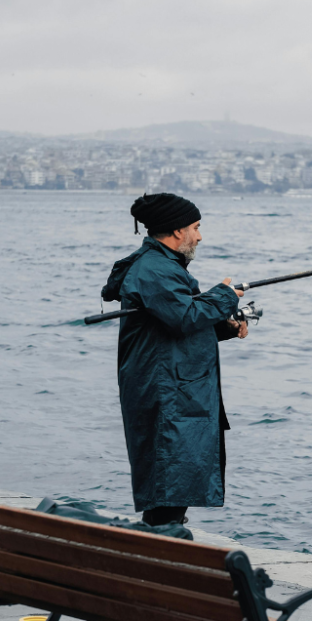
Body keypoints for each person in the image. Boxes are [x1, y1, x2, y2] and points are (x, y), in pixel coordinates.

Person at [101, 193, 249, 528]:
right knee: (168, 485)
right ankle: (160, 555)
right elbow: (182, 315)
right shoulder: (154, 269)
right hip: (166, 394)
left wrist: (224, 328)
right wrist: (224, 296)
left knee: (173, 487)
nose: (200, 236)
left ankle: (161, 549)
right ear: (177, 231)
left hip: (174, 389)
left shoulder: (162, 266)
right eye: (196, 227)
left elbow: (171, 326)